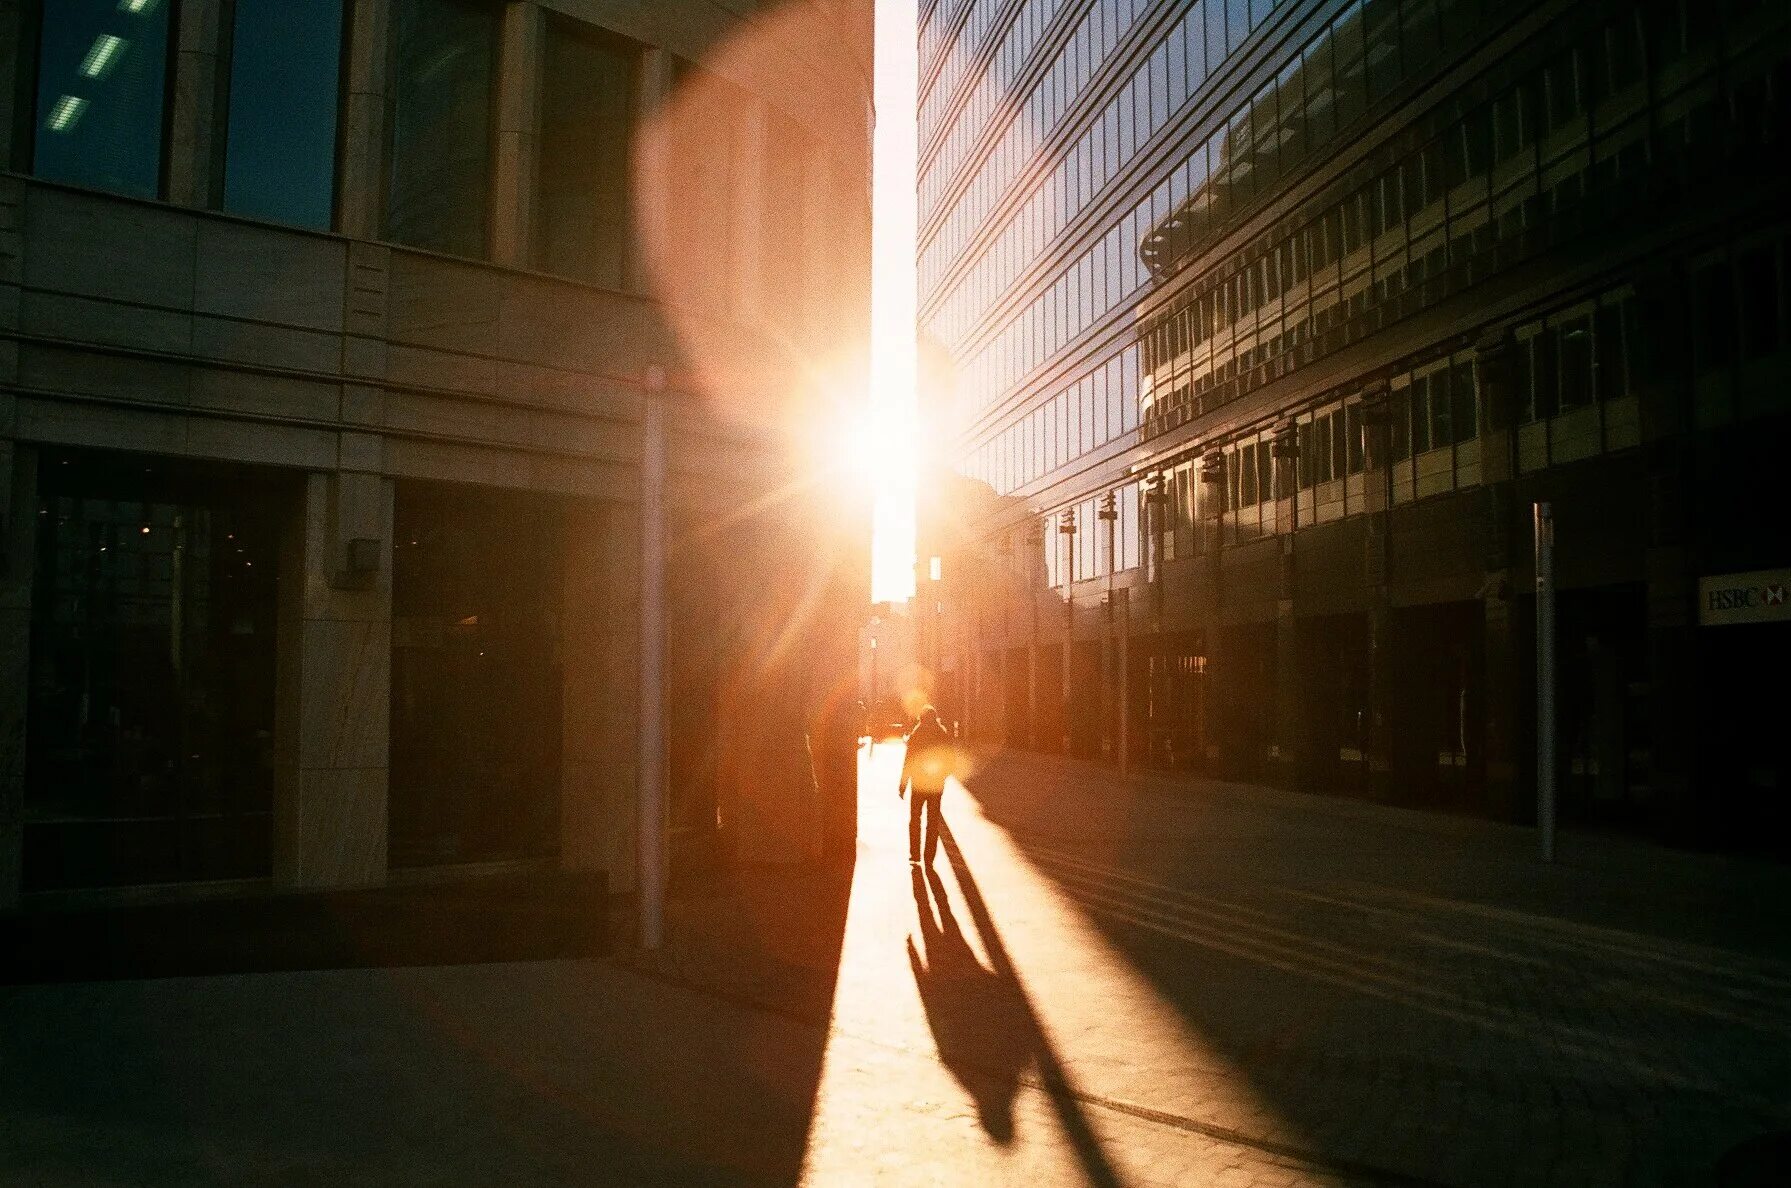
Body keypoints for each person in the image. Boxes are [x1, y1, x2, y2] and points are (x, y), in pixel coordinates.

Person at [899, 705, 954, 866]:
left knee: (915, 818)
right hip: (936, 785)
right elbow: (950, 760)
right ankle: (929, 856)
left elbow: (908, 761)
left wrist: (903, 784)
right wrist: (942, 776)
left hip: (919, 784)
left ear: (921, 718)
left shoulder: (916, 734)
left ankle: (914, 854)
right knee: (933, 820)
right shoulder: (942, 734)